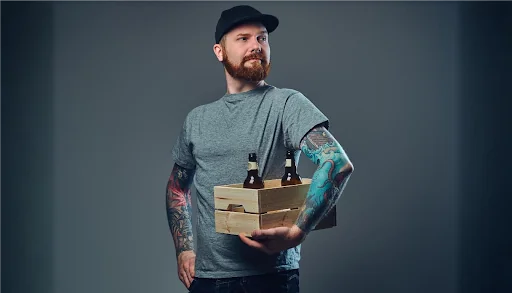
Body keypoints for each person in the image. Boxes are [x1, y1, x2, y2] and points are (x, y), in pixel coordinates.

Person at [166, 5, 354, 293]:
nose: (256, 46)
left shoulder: (288, 104)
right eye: (243, 39)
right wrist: (184, 250)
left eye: (262, 38)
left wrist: (297, 232)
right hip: (206, 281)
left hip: (269, 280)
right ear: (219, 51)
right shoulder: (197, 119)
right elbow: (177, 189)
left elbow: (336, 162)